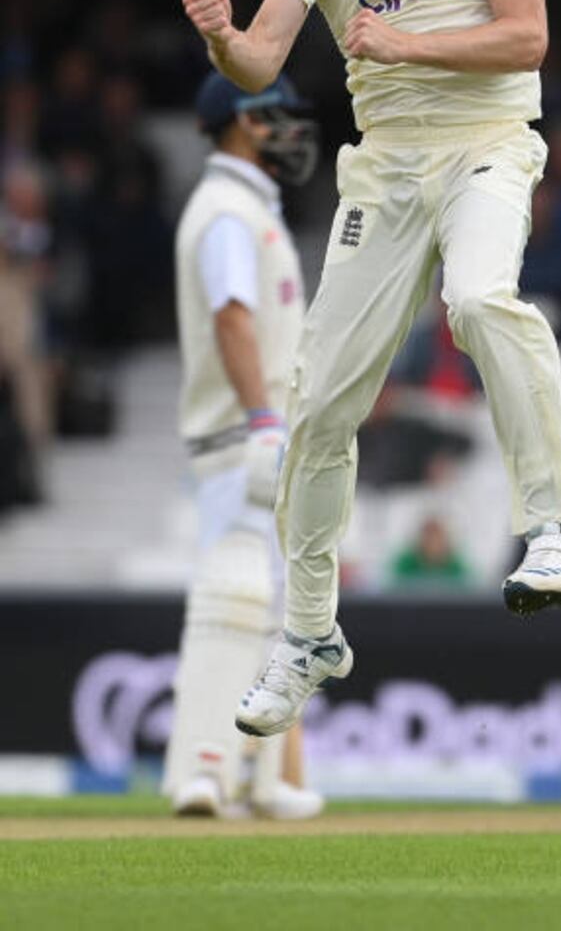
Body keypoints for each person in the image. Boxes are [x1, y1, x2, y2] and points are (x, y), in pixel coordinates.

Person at [181, 0, 561, 741]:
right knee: (319, 407)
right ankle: (308, 635)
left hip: (488, 150)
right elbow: (258, 58)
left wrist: (405, 45)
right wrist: (218, 39)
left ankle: (555, 531)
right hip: (385, 173)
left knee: (477, 300)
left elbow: (525, 38)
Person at [162, 68, 324, 817]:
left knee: (273, 614)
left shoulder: (249, 207)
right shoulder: (227, 209)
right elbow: (232, 317)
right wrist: (264, 420)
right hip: (241, 435)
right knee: (232, 600)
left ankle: (265, 779)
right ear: (238, 123)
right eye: (271, 116)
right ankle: (200, 770)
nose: (287, 130)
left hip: (259, 432)